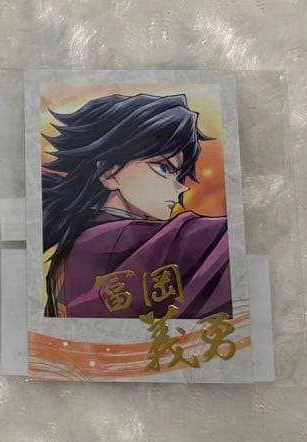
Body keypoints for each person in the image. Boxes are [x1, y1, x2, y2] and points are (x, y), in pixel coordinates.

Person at [41, 92, 232, 319]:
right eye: (163, 168)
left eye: (178, 175)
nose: (181, 188)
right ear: (109, 172)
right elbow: (221, 237)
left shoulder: (79, 240)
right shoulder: (109, 240)